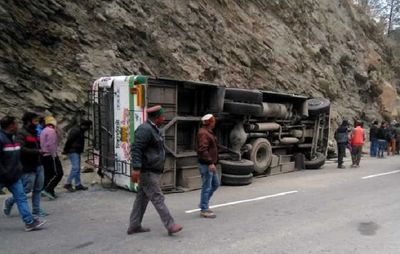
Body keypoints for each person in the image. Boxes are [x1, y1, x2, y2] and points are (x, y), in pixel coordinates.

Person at [127, 105, 182, 236]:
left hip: (151, 170)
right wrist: (136, 169)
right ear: (157, 118)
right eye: (162, 116)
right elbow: (136, 149)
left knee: (141, 199)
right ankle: (170, 225)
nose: (164, 119)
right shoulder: (145, 129)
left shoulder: (153, 129)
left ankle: (134, 226)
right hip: (147, 171)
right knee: (158, 197)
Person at [0, 115, 46, 231]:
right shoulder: (1, 139)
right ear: (11, 125)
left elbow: (17, 155)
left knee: (21, 198)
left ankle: (29, 222)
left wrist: (18, 168)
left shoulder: (14, 137)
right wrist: (4, 173)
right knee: (22, 196)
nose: (17, 125)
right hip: (3, 176)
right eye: (15, 123)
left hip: (14, 176)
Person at [197, 114, 219, 218]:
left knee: (215, 184)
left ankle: (203, 203)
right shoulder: (204, 134)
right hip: (207, 165)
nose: (215, 122)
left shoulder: (207, 132)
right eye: (213, 121)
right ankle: (204, 209)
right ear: (210, 123)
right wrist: (210, 163)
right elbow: (202, 149)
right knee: (207, 186)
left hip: (210, 164)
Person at [63, 119, 92, 192]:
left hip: (76, 150)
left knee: (77, 168)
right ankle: (68, 183)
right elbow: (69, 140)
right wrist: (65, 150)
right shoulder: (76, 131)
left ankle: (78, 184)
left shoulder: (79, 130)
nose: (88, 129)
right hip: (73, 151)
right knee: (75, 168)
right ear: (84, 126)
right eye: (88, 127)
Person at [40, 116, 63, 199]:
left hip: (44, 155)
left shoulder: (44, 131)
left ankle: (50, 192)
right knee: (59, 173)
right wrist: (54, 155)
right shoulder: (51, 131)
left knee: (49, 174)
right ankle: (48, 189)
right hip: (50, 155)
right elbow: (51, 144)